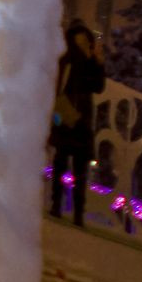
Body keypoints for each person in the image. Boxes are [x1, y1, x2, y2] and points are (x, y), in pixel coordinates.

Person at [47, 22, 104, 225]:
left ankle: (74, 211)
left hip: (80, 120)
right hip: (68, 116)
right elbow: (63, 83)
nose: (85, 44)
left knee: (75, 167)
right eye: (82, 40)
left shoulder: (86, 61)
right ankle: (62, 207)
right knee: (65, 163)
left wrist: (97, 62)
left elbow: (98, 87)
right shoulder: (70, 58)